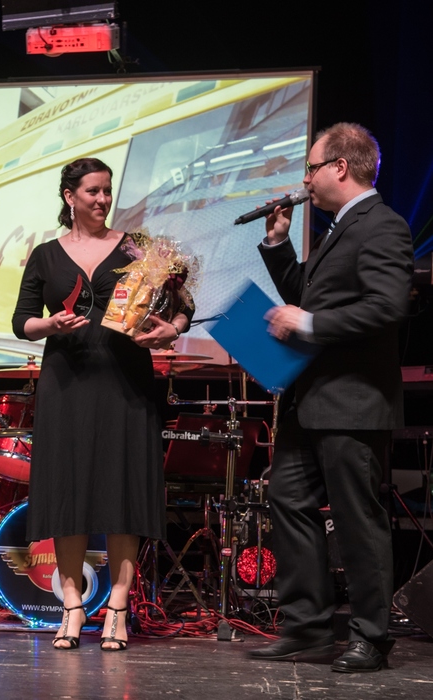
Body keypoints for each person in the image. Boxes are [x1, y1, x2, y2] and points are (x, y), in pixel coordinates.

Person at [247, 123, 413, 672]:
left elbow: (388, 305)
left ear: (340, 166)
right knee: (287, 500)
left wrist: (310, 323)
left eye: (311, 168)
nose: (305, 181)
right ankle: (307, 628)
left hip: (352, 401)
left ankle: (371, 636)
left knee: (357, 518)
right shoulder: (340, 229)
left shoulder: (382, 224)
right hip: (311, 398)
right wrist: (278, 244)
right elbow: (309, 295)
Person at [12, 157, 194, 651]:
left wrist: (171, 329)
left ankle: (117, 607)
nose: (102, 199)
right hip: (66, 383)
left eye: (107, 190)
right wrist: (50, 325)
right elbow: (22, 321)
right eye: (92, 191)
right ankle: (71, 606)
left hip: (125, 381)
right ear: (69, 196)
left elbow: (183, 305)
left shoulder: (139, 248)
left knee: (122, 492)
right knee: (67, 493)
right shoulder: (46, 255)